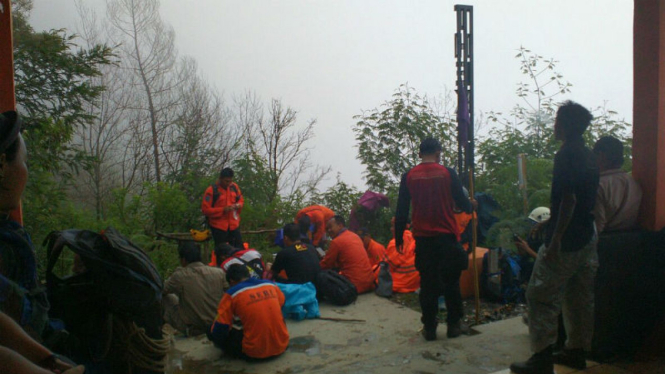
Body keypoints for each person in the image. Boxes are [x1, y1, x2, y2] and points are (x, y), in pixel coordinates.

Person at [510, 101, 600, 374]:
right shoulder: (588, 155)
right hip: (588, 235)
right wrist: (551, 219)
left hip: (568, 239)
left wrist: (556, 236)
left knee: (539, 295)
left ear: (566, 125)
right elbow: (580, 200)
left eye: (557, 120)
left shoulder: (565, 156)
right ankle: (576, 351)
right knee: (579, 296)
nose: (554, 125)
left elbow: (569, 199)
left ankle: (541, 358)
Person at [395, 137, 474, 341]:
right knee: (451, 283)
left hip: (423, 239)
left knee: (428, 285)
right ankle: (454, 325)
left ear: (420, 154)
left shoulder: (409, 176)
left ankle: (430, 328)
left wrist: (398, 237)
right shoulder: (448, 173)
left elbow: (402, 209)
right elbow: (463, 204)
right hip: (447, 237)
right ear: (438, 153)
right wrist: (472, 206)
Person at [208, 264, 289, 360]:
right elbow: (281, 304)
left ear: (231, 281)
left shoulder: (231, 294)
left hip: (255, 354)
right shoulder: (270, 285)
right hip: (282, 345)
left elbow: (220, 329)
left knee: (210, 330)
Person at [163, 241, 229, 336]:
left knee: (168, 298)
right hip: (217, 322)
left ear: (183, 260)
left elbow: (162, 289)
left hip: (195, 328)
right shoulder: (219, 273)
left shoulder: (180, 276)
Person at [592, 135, 642, 233]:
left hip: (604, 242)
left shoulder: (598, 185)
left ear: (601, 155)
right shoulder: (634, 183)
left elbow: (597, 226)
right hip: (631, 240)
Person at [320, 215, 375, 294]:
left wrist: (314, 268)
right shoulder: (355, 236)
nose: (329, 230)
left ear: (340, 225)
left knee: (321, 276)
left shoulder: (336, 241)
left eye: (330, 227)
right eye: (327, 229)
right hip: (369, 283)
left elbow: (326, 264)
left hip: (354, 286)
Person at [202, 167, 244, 249]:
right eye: (226, 181)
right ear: (220, 179)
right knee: (222, 253)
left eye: (230, 181)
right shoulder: (211, 190)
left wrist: (238, 205)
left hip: (233, 226)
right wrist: (223, 210)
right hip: (218, 227)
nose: (228, 183)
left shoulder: (234, 187)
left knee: (239, 250)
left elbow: (241, 201)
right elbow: (205, 210)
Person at [514, 207, 550, 284]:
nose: (533, 226)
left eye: (534, 223)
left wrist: (527, 249)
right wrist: (521, 248)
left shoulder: (550, 239)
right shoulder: (534, 237)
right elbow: (525, 256)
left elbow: (545, 261)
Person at [383, 217, 420, 293]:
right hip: (417, 282)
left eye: (393, 226)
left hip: (404, 282)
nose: (391, 229)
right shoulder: (415, 238)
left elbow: (387, 268)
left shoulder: (395, 242)